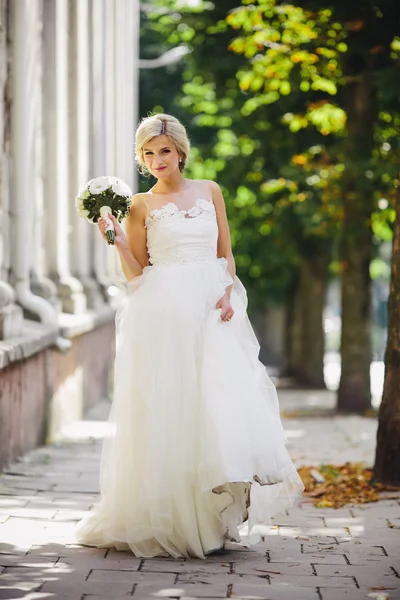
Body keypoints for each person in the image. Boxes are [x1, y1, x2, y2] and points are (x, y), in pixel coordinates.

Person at [75, 113, 304, 559]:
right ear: (142, 159)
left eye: (164, 151)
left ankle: (211, 520)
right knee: (173, 412)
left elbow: (226, 255)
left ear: (180, 150)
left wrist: (226, 294)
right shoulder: (140, 204)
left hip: (212, 312)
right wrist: (119, 241)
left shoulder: (210, 191)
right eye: (148, 153)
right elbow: (138, 274)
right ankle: (175, 521)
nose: (157, 160)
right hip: (165, 314)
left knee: (216, 409)